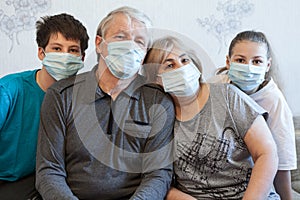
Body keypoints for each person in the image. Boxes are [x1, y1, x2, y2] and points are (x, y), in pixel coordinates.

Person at [35, 6, 175, 200]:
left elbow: (158, 174)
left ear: (144, 54)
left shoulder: (158, 101)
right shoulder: (61, 96)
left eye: (139, 41)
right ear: (99, 44)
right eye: (120, 37)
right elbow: (49, 170)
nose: (130, 46)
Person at [142, 36, 279, 199]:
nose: (181, 68)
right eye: (170, 65)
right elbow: (160, 181)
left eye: (185, 60)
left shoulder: (228, 96)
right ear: (155, 79)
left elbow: (267, 153)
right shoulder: (158, 119)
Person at [0, 13, 89, 199]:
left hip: (47, 180)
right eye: (57, 48)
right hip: (7, 181)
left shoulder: (84, 98)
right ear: (41, 52)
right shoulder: (9, 91)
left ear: (82, 57)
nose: (65, 56)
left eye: (73, 50)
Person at [211, 30, 297, 200]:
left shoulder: (274, 101)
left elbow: (282, 164)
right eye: (240, 60)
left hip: (255, 182)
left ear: (267, 65)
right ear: (228, 62)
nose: (248, 67)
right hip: (216, 179)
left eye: (257, 61)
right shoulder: (214, 87)